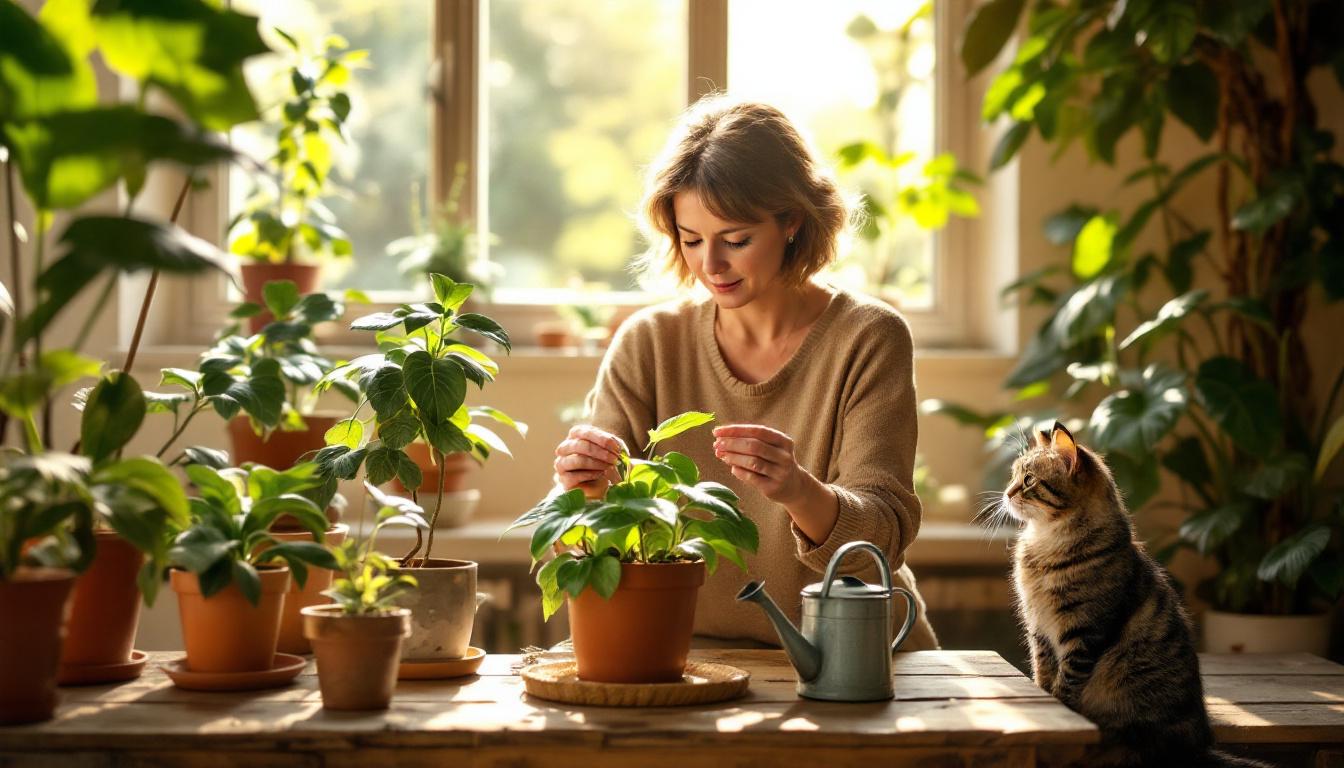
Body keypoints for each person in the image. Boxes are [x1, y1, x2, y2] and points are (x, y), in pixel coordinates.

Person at [553, 98, 938, 650]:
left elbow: (883, 537)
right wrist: (584, 487)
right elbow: (590, 537)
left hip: (856, 655)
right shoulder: (649, 343)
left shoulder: (867, 336)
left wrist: (798, 490)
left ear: (792, 222)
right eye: (691, 240)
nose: (710, 265)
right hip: (690, 657)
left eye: (735, 241)